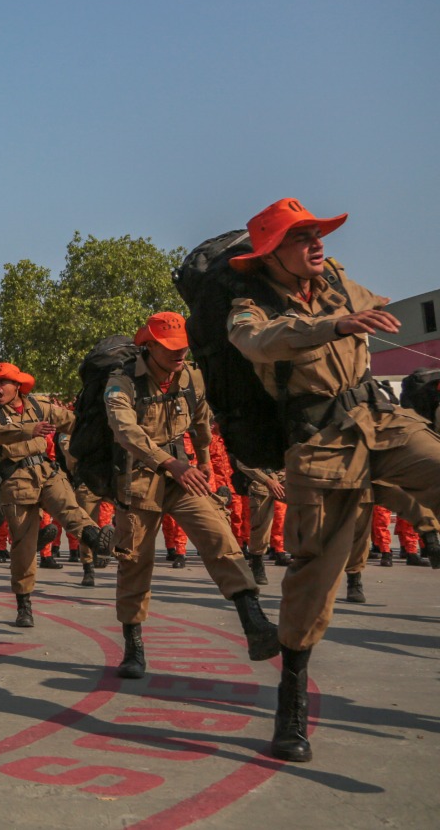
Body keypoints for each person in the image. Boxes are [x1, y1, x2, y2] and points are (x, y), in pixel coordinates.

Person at [224, 198, 440, 762]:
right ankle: (290, 698)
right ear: (271, 254)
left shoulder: (337, 279)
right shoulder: (247, 308)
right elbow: (259, 343)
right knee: (314, 580)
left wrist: (359, 314)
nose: (319, 244)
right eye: (303, 238)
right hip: (321, 445)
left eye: (319, 233)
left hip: (381, 420)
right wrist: (334, 324)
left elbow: (383, 306)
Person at [101, 312, 279, 679]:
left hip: (184, 476)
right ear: (148, 346)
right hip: (139, 478)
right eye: (170, 348)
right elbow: (124, 430)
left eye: (183, 347)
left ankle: (254, 621)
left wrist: (204, 464)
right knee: (135, 564)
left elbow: (201, 423)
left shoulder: (191, 377)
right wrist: (170, 462)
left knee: (220, 537)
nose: (179, 354)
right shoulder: (122, 384)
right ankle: (133, 646)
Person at [0, 362, 114, 628]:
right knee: (24, 546)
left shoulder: (39, 407)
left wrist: (105, 430)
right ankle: (24, 606)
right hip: (16, 480)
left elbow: (73, 422)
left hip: (47, 472)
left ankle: (98, 541)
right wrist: (29, 430)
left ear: (17, 386)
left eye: (2, 382)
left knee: (70, 510)